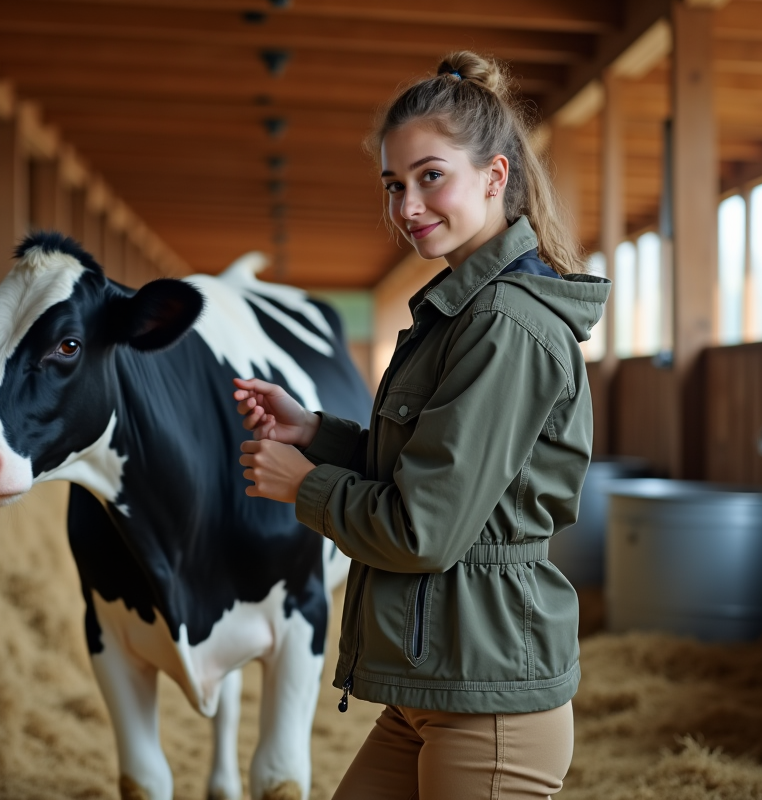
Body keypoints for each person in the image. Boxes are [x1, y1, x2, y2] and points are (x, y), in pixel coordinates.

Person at [232, 50, 610, 800]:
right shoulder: (461, 312)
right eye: (394, 185)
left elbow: (423, 528)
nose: (407, 206)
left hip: (488, 698)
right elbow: (427, 464)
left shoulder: (506, 325)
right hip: (431, 683)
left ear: (495, 177)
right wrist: (316, 432)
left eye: (431, 176)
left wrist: (305, 487)